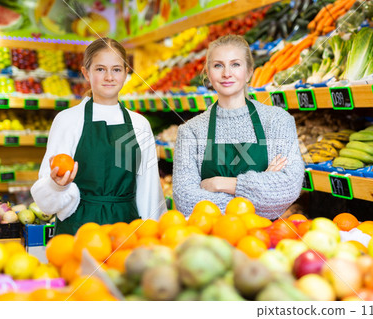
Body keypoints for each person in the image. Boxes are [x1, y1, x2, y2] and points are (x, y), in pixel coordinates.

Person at [31, 37, 166, 235]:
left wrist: (154, 237)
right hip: (77, 229)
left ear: (126, 73)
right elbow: (46, 203)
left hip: (127, 231)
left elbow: (149, 191)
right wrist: (57, 186)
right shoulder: (67, 121)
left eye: (117, 69)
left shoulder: (139, 125)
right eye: (100, 69)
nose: (109, 77)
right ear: (86, 73)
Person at [172, 34, 304, 219]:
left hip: (264, 238)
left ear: (249, 72)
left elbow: (287, 188)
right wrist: (262, 187)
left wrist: (221, 184)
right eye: (218, 65)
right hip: (209, 238)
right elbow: (185, 200)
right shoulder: (191, 131)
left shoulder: (278, 121)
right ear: (208, 73)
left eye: (235, 64)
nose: (227, 73)